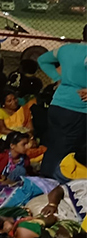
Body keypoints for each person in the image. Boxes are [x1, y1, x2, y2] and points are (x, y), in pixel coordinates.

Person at [37, 41, 87, 177]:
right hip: (77, 109)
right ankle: (55, 182)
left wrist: (58, 77)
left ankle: (45, 178)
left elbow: (42, 60)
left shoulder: (65, 49)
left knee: (54, 145)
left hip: (57, 105)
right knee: (68, 150)